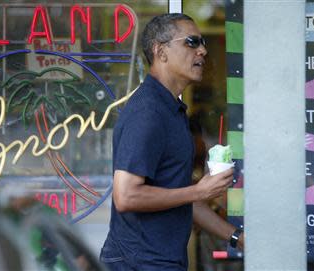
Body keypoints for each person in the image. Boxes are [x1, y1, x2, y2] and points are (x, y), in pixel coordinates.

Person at [100, 13, 243, 271]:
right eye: (192, 42)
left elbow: (183, 198)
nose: (203, 50)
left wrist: (237, 237)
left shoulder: (171, 109)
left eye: (202, 43)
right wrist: (199, 190)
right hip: (138, 264)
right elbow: (126, 195)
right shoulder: (148, 111)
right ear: (160, 51)